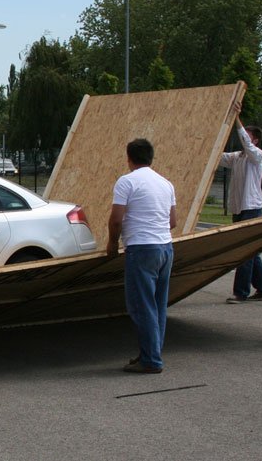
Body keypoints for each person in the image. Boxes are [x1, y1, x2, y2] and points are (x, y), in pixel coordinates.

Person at [107, 138, 177, 374]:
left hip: (141, 249)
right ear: (151, 157)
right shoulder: (166, 184)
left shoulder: (126, 182)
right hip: (165, 248)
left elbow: (116, 219)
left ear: (129, 158)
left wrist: (111, 242)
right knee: (157, 305)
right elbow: (173, 221)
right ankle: (151, 353)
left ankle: (151, 360)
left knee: (141, 306)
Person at [220, 103, 262, 304]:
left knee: (244, 252)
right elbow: (219, 156)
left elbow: (246, 143)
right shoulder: (238, 157)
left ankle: (240, 292)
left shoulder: (257, 156)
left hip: (251, 207)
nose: (244, 137)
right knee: (252, 251)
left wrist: (236, 118)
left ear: (256, 140)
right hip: (239, 208)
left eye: (248, 135)